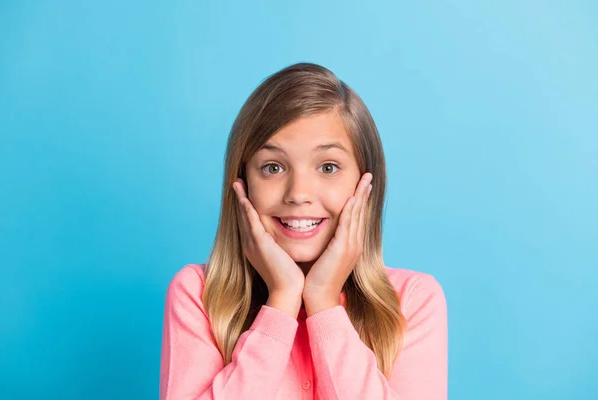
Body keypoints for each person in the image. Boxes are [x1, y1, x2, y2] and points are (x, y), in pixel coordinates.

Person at [159, 62, 448, 399]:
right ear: (241, 184)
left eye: (328, 167)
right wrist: (281, 300)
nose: (298, 193)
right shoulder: (199, 294)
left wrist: (324, 302)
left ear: (365, 185)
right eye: (273, 167)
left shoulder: (412, 301)